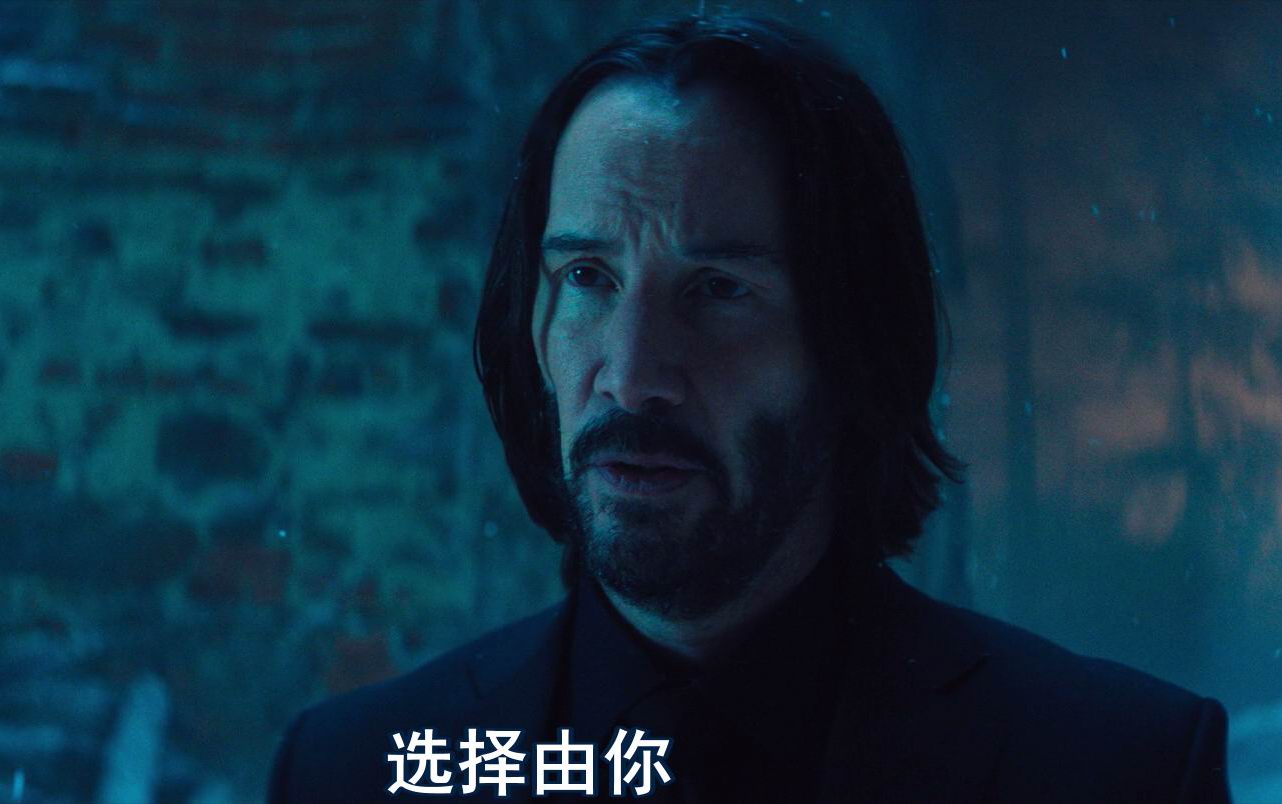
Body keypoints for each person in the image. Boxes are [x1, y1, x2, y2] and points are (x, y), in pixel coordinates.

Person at [269, 10, 1230, 802]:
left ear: (852, 340)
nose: (631, 375)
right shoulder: (351, 777)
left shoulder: (1114, 772)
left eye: (719, 290)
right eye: (589, 278)